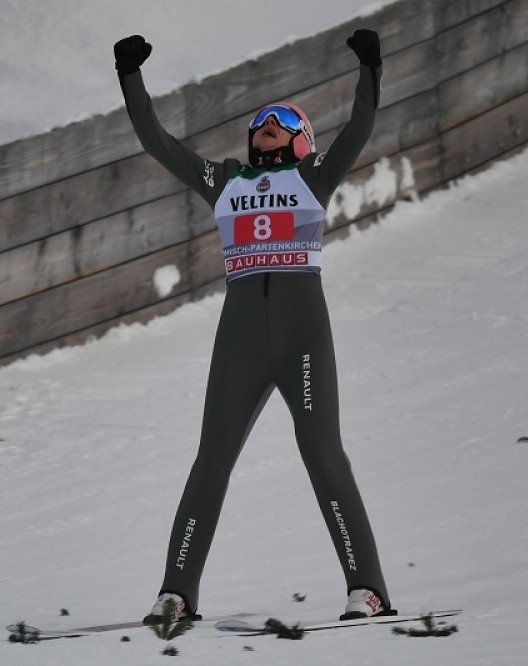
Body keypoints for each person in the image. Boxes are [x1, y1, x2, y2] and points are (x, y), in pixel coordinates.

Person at [113, 29, 394, 624]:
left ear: (300, 140)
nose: (263, 125)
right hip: (239, 340)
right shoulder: (225, 181)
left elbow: (361, 127)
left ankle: (367, 588)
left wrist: (370, 67)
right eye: (259, 121)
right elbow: (157, 141)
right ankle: (176, 594)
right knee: (211, 460)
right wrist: (130, 76)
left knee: (322, 452)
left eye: (279, 121)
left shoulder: (313, 176)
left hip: (301, 337)